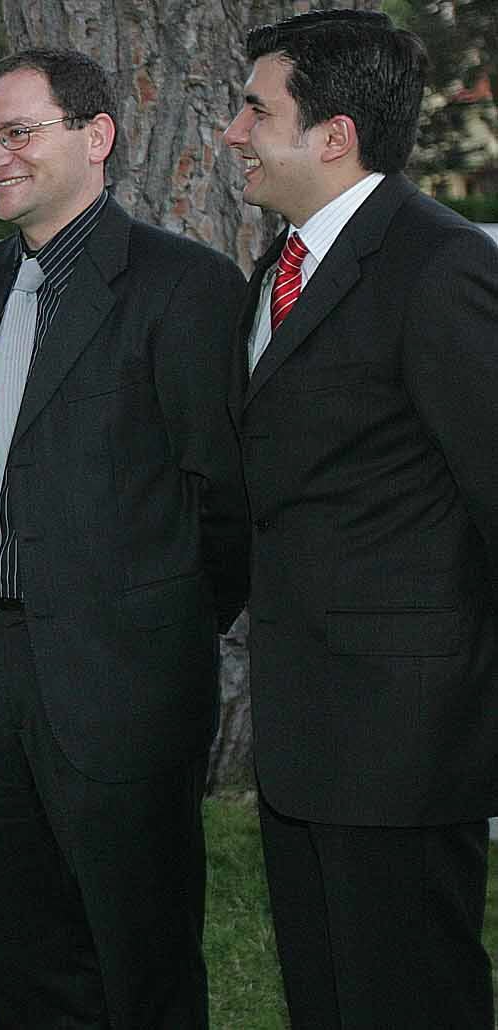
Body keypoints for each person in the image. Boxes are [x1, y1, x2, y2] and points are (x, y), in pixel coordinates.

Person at [0, 49, 248, 1026]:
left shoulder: (184, 286)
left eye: (18, 133)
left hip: (123, 674)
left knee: (141, 963)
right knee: (24, 955)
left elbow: (229, 501)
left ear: (97, 136)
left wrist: (152, 624)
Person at [223, 12, 498, 1026]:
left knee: (409, 996)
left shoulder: (438, 268)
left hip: (407, 743)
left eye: (257, 109)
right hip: (306, 733)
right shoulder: (284, 265)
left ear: (333, 133)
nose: (233, 131)